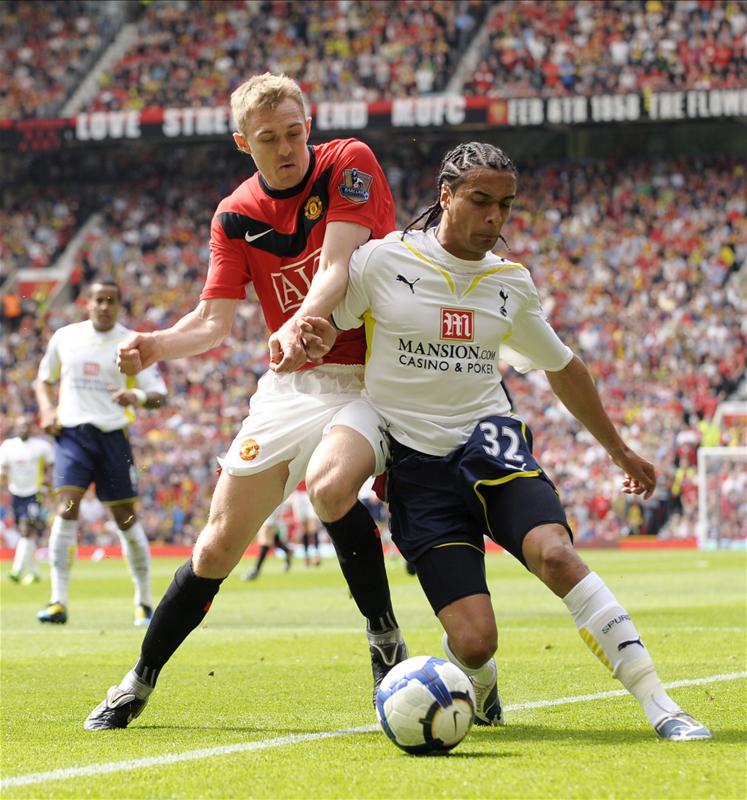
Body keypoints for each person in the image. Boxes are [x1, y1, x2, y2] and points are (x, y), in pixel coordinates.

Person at [322, 141, 711, 740]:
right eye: (481, 202)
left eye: (505, 206)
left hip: (490, 444)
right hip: (416, 467)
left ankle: (662, 705)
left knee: (555, 552)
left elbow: (562, 365)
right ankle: (479, 683)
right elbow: (329, 319)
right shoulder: (381, 261)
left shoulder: (510, 281)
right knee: (474, 641)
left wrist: (621, 449)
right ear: (445, 195)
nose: (495, 219)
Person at [84, 72, 406, 731]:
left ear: (308, 125)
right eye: (269, 139)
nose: (287, 147)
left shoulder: (349, 163)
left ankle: (383, 635)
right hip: (291, 388)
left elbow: (336, 265)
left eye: (294, 132)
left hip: (371, 378)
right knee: (216, 546)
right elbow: (212, 321)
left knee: (328, 488)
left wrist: (291, 325)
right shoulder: (235, 214)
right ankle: (137, 681)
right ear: (242, 143)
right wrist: (155, 346)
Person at [34, 279, 167, 626]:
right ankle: (57, 601)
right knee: (66, 508)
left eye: (111, 300)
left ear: (120, 305)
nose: (104, 306)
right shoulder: (66, 337)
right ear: (87, 303)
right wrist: (47, 410)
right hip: (72, 436)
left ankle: (144, 602)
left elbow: (159, 395)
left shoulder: (133, 343)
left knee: (125, 518)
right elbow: (43, 380)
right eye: (98, 300)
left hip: (112, 438)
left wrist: (135, 397)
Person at [0, 415, 55, 584]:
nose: (24, 429)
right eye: (21, 426)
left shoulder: (41, 447)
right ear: (16, 428)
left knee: (26, 529)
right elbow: (3, 469)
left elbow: (51, 466)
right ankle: (34, 571)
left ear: (32, 428)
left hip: (34, 493)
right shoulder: (8, 446)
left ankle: (17, 570)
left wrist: (48, 485)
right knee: (26, 534)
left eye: (27, 426)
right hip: (16, 493)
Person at [241, 503, 293, 580]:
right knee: (275, 542)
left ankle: (256, 570)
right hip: (272, 521)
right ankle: (287, 551)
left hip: (269, 521)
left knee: (265, 545)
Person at [289, 482, 322, 567]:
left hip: (310, 490)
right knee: (304, 528)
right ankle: (307, 556)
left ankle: (316, 554)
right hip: (298, 494)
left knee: (313, 525)